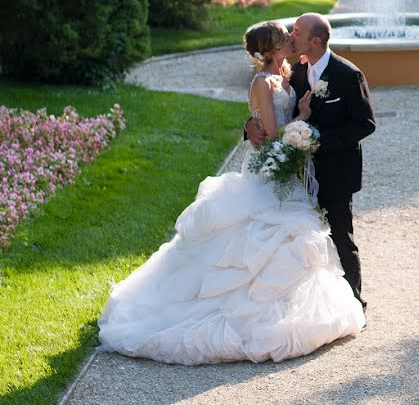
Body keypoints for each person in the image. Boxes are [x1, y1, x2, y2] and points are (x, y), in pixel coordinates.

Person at [98, 21, 365, 365]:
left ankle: (345, 300)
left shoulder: (293, 71)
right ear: (270, 48)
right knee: (258, 240)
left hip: (298, 170)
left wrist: (286, 124)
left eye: (291, 33)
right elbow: (269, 132)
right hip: (268, 171)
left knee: (318, 236)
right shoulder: (264, 81)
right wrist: (299, 117)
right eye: (284, 36)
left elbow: (346, 121)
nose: (289, 37)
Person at [247, 13, 375, 310]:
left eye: (297, 32)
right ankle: (303, 306)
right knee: (299, 241)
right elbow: (267, 110)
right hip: (292, 172)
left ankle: (354, 304)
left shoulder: (347, 75)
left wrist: (318, 141)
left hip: (335, 171)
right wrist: (248, 126)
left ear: (315, 41)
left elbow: (365, 124)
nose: (291, 36)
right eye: (290, 32)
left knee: (341, 236)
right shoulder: (296, 72)